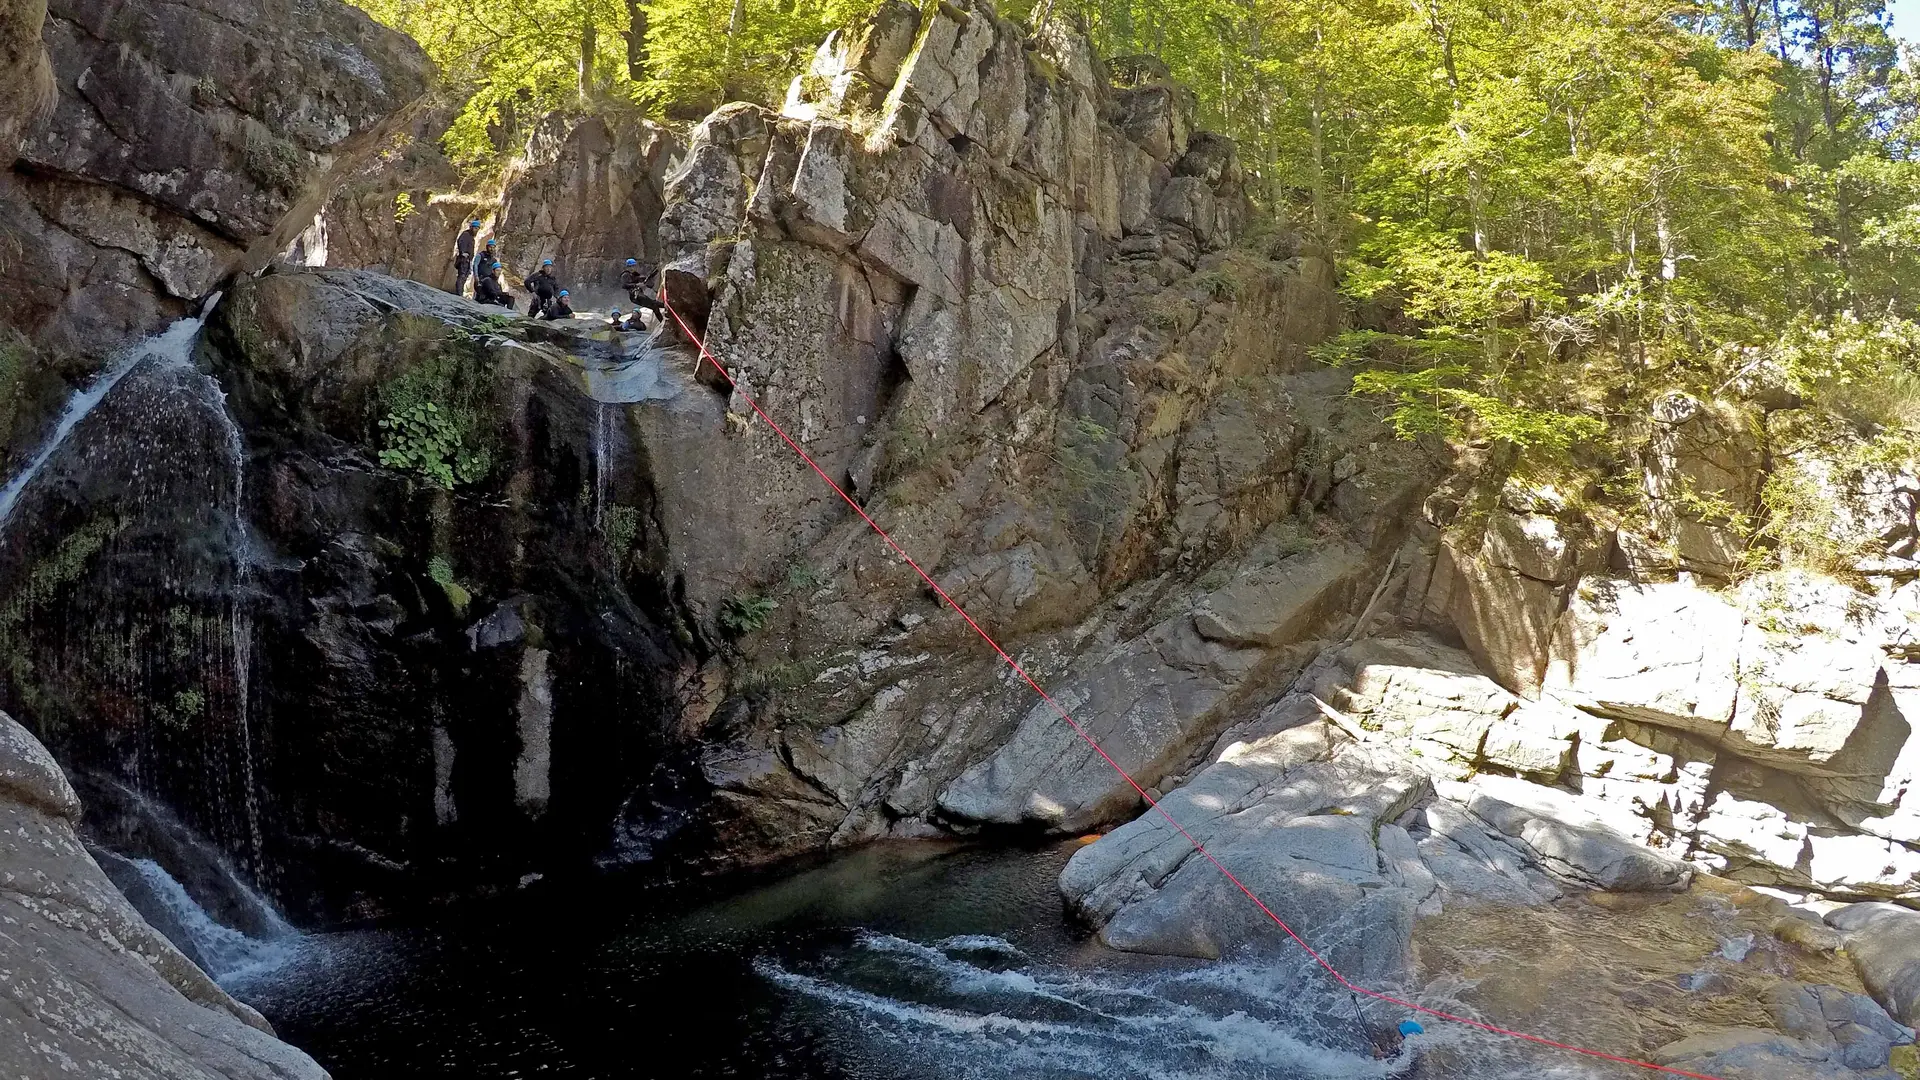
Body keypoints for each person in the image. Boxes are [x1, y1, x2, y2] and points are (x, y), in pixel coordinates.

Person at [453, 220, 482, 296]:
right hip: (463, 259)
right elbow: (460, 242)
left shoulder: (471, 237)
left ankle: (460, 292)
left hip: (468, 260)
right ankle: (458, 293)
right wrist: (463, 252)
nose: (476, 230)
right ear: (471, 227)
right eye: (475, 228)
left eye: (477, 228)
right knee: (462, 275)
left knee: (465, 276)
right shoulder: (466, 234)